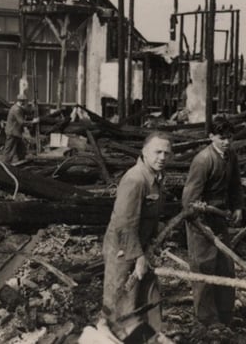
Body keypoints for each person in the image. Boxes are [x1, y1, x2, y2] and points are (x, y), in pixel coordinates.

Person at [102, 131, 172, 342]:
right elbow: (125, 224)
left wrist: (156, 238)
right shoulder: (135, 179)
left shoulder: (156, 178)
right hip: (124, 250)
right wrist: (138, 257)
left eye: (166, 153)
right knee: (121, 301)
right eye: (157, 152)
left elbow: (151, 215)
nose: (162, 157)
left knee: (148, 296)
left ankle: (149, 337)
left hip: (143, 246)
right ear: (144, 152)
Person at [181, 116, 244, 327]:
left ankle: (225, 313)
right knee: (204, 266)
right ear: (211, 137)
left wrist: (237, 207)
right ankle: (207, 319)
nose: (226, 142)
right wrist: (199, 222)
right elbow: (189, 200)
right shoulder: (203, 160)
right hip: (200, 220)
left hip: (220, 217)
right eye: (221, 138)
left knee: (225, 265)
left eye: (229, 137)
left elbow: (235, 184)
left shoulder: (231, 156)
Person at [3, 94, 27, 163]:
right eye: (24, 101)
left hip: (15, 132)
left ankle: (20, 163)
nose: (25, 103)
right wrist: (33, 122)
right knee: (9, 150)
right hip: (13, 133)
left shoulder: (16, 107)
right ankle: (5, 164)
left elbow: (24, 111)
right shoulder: (17, 110)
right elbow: (21, 122)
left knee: (21, 149)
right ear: (22, 101)